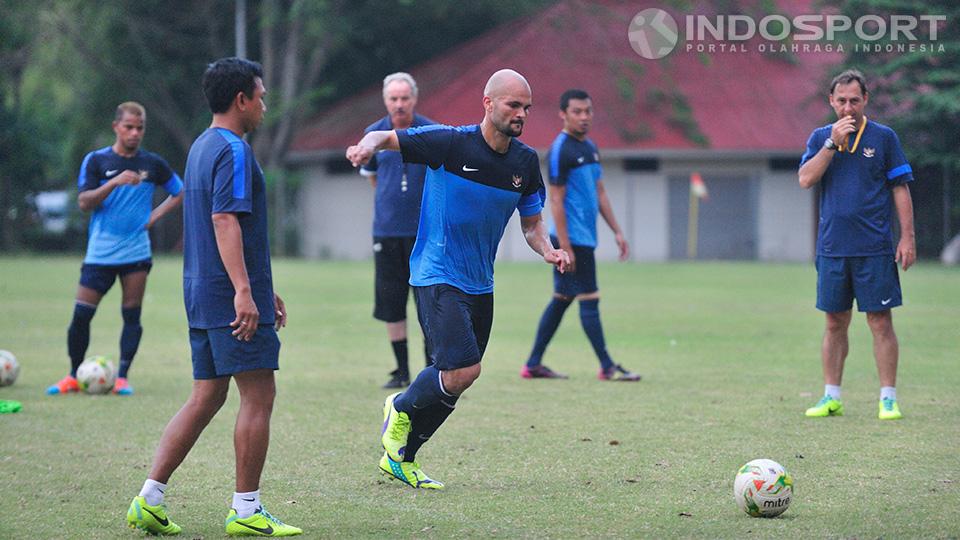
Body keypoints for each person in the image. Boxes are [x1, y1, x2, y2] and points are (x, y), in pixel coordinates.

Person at [346, 69, 570, 489]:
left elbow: (531, 225)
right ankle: (401, 404)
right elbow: (387, 138)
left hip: (480, 283)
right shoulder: (449, 142)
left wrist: (549, 249)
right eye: (513, 105)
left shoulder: (524, 162)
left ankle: (402, 457)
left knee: (456, 379)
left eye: (526, 107)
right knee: (464, 367)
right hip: (436, 272)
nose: (521, 114)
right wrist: (365, 145)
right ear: (488, 103)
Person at [126, 57, 301, 536]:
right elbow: (224, 220)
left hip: (202, 292)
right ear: (241, 99)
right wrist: (246, 292)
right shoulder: (235, 151)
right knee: (259, 395)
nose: (264, 104)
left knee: (205, 396)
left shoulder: (202, 146)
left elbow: (227, 226)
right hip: (231, 298)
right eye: (261, 95)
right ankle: (246, 511)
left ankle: (149, 498)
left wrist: (265, 287)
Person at [798, 69, 915, 421]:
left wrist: (907, 237)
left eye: (854, 100)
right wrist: (831, 144)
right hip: (832, 247)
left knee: (880, 322)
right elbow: (805, 179)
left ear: (865, 100)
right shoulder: (821, 137)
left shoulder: (883, 137)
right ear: (831, 102)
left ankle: (888, 398)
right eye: (842, 101)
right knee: (835, 322)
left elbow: (900, 187)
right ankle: (831, 396)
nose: (848, 107)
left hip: (875, 247)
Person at [46, 102, 183, 397]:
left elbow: (180, 190)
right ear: (116, 127)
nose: (135, 133)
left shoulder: (152, 164)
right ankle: (73, 375)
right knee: (81, 316)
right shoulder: (96, 161)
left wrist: (154, 216)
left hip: (136, 253)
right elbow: (84, 202)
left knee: (131, 315)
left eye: (140, 128)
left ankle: (121, 377)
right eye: (129, 127)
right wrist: (115, 182)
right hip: (100, 254)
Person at [520, 89, 640, 382]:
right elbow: (557, 200)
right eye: (577, 111)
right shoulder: (561, 150)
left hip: (583, 238)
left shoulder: (590, 147)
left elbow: (599, 192)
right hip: (570, 240)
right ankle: (607, 367)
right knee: (590, 298)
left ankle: (533, 364)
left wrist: (618, 231)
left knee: (562, 298)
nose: (584, 117)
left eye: (588, 111)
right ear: (563, 114)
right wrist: (566, 246)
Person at [358, 72, 435, 389]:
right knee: (392, 301)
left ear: (414, 99)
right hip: (387, 232)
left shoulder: (430, 132)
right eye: (394, 98)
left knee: (429, 301)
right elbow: (373, 179)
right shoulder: (373, 134)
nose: (399, 104)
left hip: (424, 233)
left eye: (405, 98)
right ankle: (401, 369)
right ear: (385, 100)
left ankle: (432, 367)